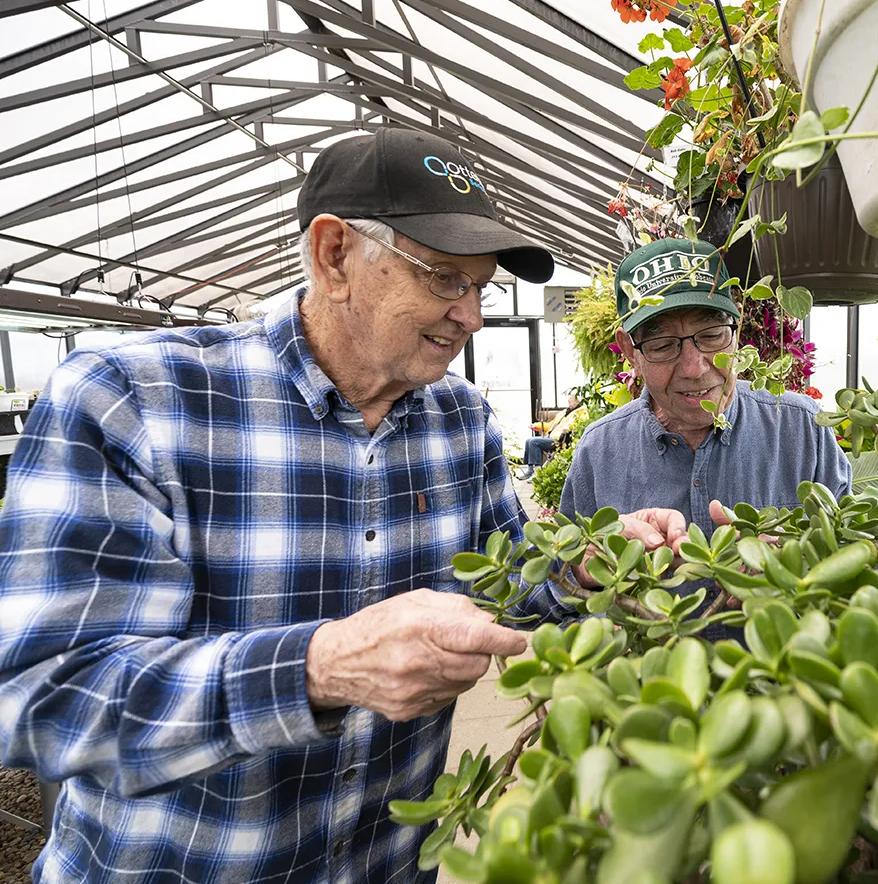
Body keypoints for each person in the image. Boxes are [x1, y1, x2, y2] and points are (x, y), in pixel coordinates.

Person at [0, 128, 678, 883]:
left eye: (482, 288)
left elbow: (507, 584)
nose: (472, 316)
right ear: (334, 257)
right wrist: (318, 668)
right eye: (445, 279)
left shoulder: (460, 421)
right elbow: (44, 697)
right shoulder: (135, 401)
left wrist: (581, 565)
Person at [558, 237, 851, 602]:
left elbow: (853, 549)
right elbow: (559, 581)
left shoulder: (801, 428)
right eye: (663, 344)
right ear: (631, 351)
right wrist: (590, 569)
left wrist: (800, 561)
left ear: (737, 330)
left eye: (712, 335)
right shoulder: (599, 450)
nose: (695, 368)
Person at [520, 394, 582, 479]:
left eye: (570, 399)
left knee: (534, 442)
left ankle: (537, 473)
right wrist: (536, 425)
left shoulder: (581, 412)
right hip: (551, 437)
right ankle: (530, 470)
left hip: (560, 441)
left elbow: (580, 426)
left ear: (577, 401)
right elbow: (550, 425)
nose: (568, 400)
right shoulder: (564, 413)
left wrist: (569, 429)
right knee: (528, 441)